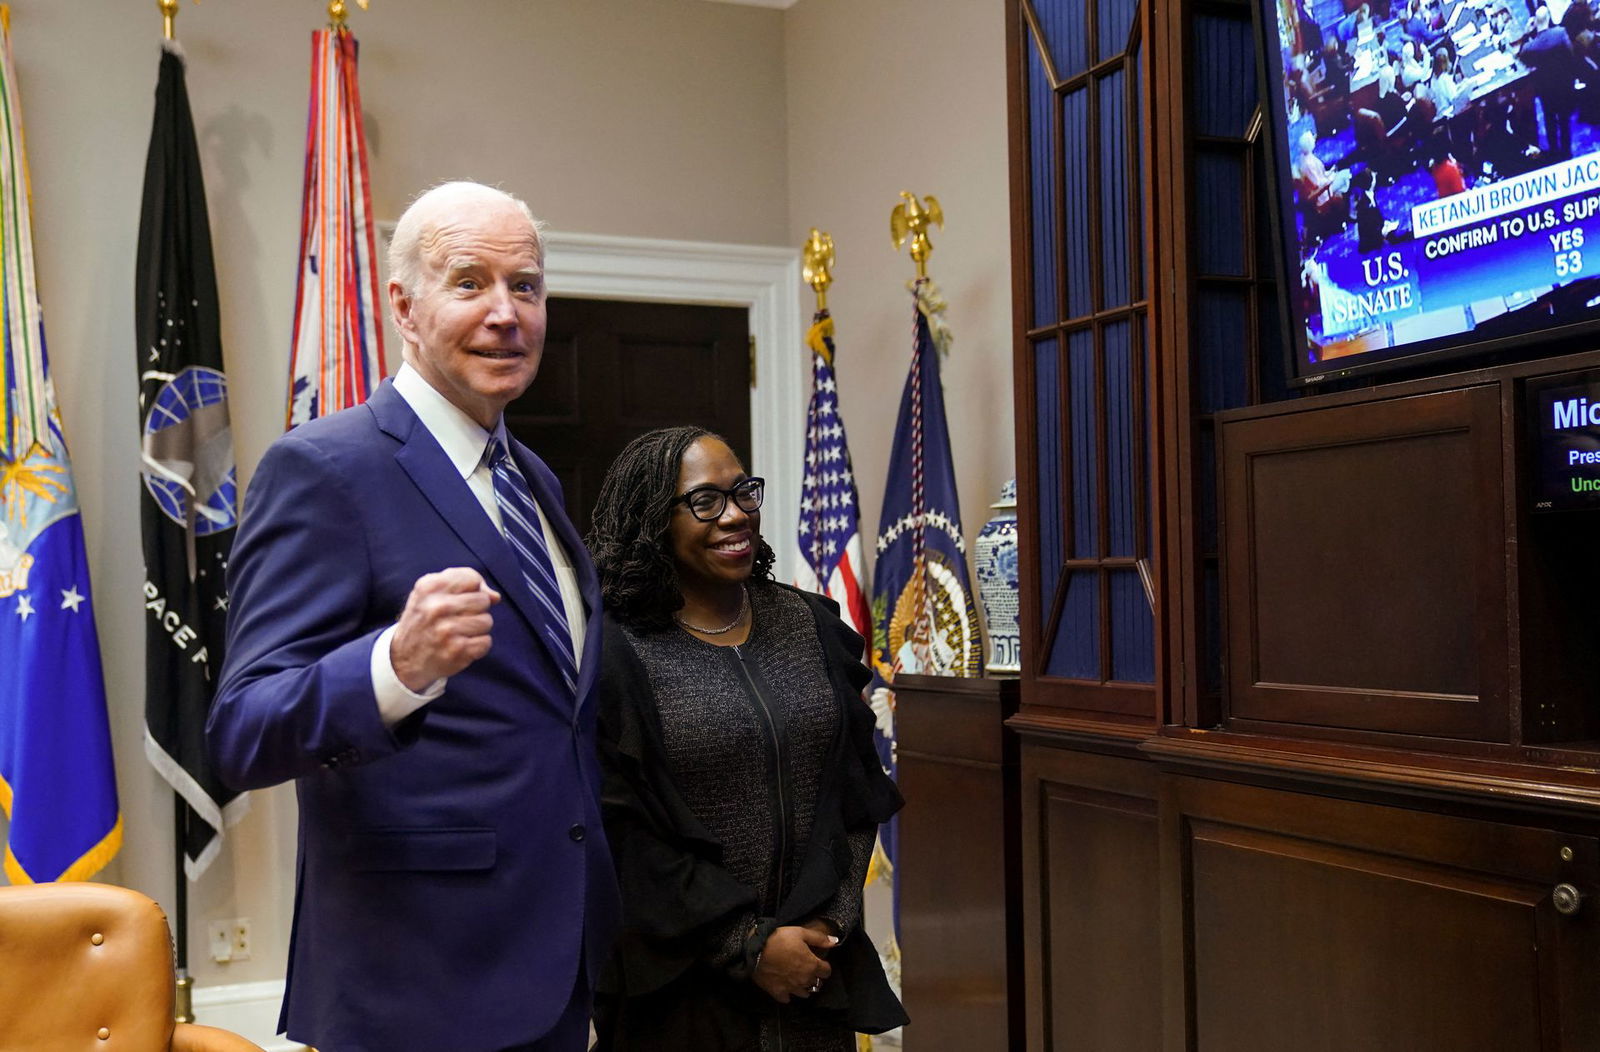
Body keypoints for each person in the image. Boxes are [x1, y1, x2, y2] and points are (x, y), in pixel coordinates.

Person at [207, 181, 620, 1052]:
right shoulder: (323, 468)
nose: (508, 314)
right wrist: (395, 666)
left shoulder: (534, 480)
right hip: (416, 986)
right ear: (404, 304)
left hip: (557, 970)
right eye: (470, 282)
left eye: (528, 286)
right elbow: (242, 730)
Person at [586, 426, 907, 1051]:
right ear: (653, 520)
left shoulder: (809, 624)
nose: (735, 515)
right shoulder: (615, 651)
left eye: (744, 493)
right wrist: (748, 946)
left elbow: (855, 792)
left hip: (812, 972)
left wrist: (825, 924)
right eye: (705, 501)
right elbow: (622, 838)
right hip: (681, 985)